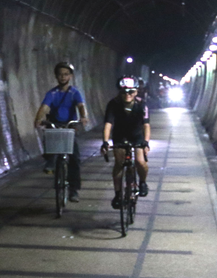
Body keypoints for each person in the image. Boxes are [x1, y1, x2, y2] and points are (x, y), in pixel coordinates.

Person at [33, 61, 88, 202]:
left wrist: (83, 117)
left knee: (74, 157)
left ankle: (74, 190)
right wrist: (38, 119)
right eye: (60, 75)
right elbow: (45, 107)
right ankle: (50, 161)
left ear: (70, 76)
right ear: (56, 76)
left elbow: (81, 105)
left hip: (70, 126)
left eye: (66, 74)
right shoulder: (52, 93)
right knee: (49, 138)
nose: (63, 77)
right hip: (56, 124)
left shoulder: (74, 92)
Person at [100, 76, 151, 209]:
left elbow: (146, 125)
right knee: (119, 163)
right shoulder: (114, 104)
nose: (127, 94)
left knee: (140, 162)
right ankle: (118, 194)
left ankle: (143, 182)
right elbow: (108, 123)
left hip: (136, 135)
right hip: (120, 135)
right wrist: (105, 142)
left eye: (131, 91)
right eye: (124, 92)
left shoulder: (142, 104)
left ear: (136, 92)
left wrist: (146, 142)